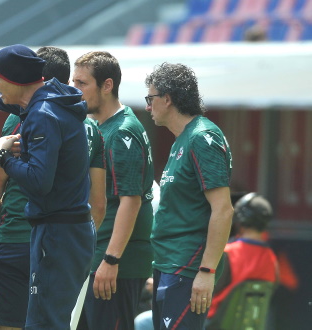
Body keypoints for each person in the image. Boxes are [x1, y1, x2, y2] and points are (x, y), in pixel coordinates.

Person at [0, 46, 105, 330]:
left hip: (30, 236)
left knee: (28, 317)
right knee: (54, 320)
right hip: (75, 235)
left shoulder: (30, 115)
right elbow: (98, 201)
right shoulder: (85, 122)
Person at [145, 62, 233, 329]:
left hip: (186, 267)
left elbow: (223, 209)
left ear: (167, 99)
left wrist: (206, 271)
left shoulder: (202, 137)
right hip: (167, 263)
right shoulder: (182, 138)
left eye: (150, 99)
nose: (148, 106)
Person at [73, 51, 154, 330]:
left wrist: (110, 259)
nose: (75, 91)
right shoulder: (103, 125)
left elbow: (130, 202)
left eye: (82, 84)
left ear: (107, 85)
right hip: (99, 258)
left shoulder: (122, 132)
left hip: (115, 263)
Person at [207, 193, 278, 323]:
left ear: (240, 218)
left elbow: (209, 290)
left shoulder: (228, 252)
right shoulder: (271, 258)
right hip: (252, 323)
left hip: (216, 322)